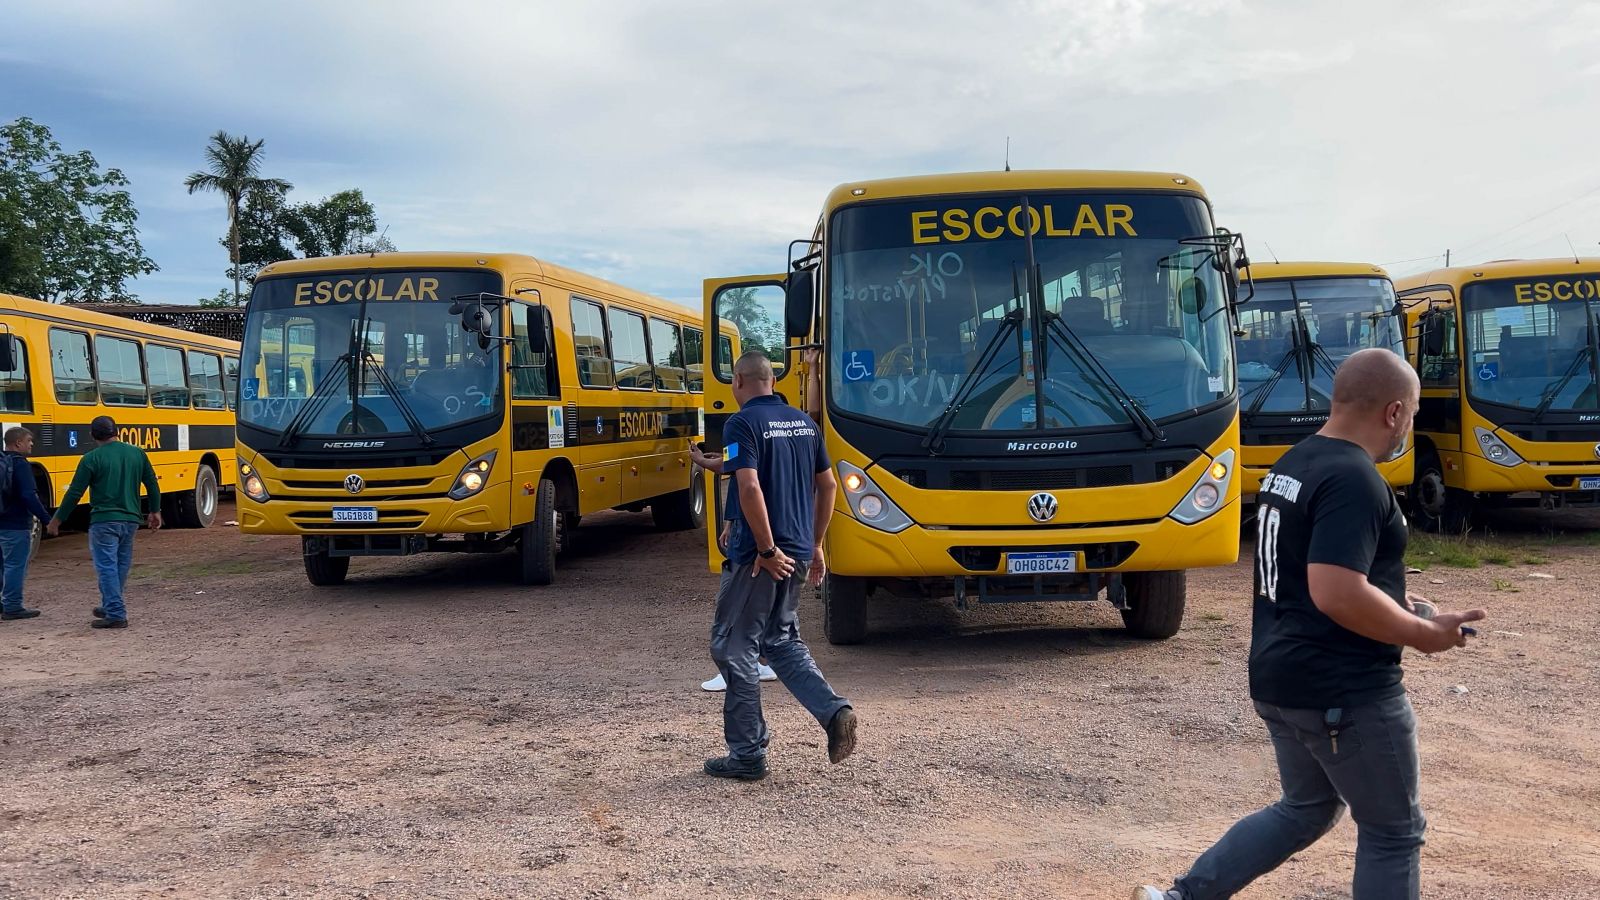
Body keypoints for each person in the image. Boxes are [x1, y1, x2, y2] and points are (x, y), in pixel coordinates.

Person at [1137, 349, 1485, 900]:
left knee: (1307, 808)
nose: (1411, 426)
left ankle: (1184, 898)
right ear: (1394, 412)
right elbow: (1335, 591)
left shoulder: (1296, 463)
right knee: (1394, 833)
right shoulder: (1355, 478)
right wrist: (1422, 634)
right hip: (1343, 691)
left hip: (1284, 679)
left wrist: (1399, 600)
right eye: (1414, 413)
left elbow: (1318, 571)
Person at [703, 350, 856, 781]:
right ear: (771, 380)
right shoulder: (804, 424)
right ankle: (834, 712)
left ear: (737, 382)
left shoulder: (740, 423)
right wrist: (815, 543)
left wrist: (766, 550)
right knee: (781, 641)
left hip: (760, 559)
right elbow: (827, 485)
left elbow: (749, 484)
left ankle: (748, 754)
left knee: (733, 648)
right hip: (799, 549)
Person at [47, 416, 162, 629]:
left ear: (92, 435)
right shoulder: (137, 453)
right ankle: (110, 605)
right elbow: (152, 484)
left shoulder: (91, 459)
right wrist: (155, 511)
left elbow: (74, 493)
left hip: (104, 521)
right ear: (116, 431)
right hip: (130, 520)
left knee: (107, 566)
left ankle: (116, 613)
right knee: (120, 565)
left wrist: (57, 519)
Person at [0, 427, 53, 621]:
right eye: (29, 441)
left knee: (1, 565)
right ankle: (12, 606)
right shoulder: (21, 465)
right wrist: (48, 520)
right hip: (15, 524)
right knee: (15, 565)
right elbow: (28, 495)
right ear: (18, 443)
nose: (31, 444)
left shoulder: (1, 461)